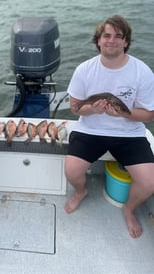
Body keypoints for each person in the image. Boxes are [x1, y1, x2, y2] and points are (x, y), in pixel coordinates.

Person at [64, 15, 154, 238]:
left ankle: (129, 209)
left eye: (118, 36)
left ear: (126, 42)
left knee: (149, 182)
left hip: (129, 133)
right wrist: (91, 109)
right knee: (71, 171)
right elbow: (75, 107)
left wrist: (125, 113)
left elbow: (149, 115)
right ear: (98, 40)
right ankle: (81, 192)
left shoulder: (142, 71)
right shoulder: (84, 69)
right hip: (90, 129)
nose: (111, 40)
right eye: (106, 35)